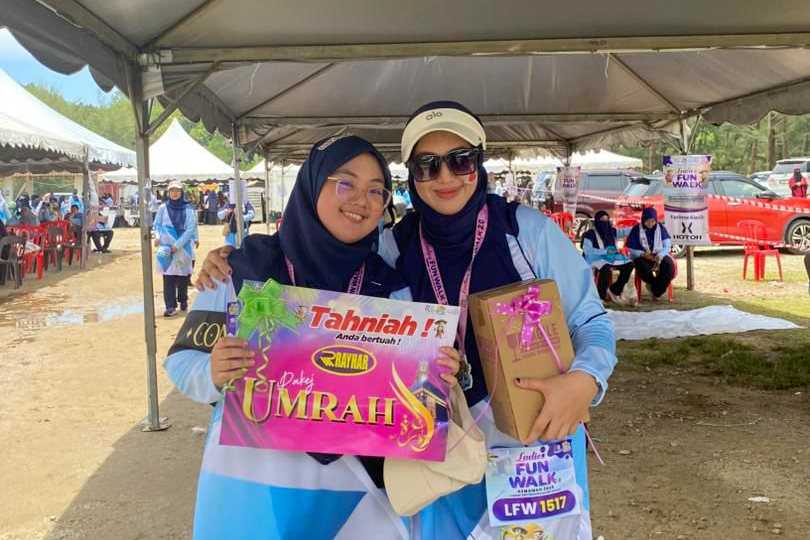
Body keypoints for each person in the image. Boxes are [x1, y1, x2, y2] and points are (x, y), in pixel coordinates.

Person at [197, 102, 616, 539]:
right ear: (412, 176)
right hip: (440, 452)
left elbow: (590, 321)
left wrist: (586, 380)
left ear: (479, 163)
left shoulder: (527, 232)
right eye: (426, 165)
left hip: (535, 443)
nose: (445, 177)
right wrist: (236, 262)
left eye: (461, 160)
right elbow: (329, 282)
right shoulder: (391, 247)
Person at [166, 135, 461, 540]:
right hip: (253, 486)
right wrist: (213, 373)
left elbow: (413, 392)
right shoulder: (242, 270)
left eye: (376, 190)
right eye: (345, 183)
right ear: (311, 185)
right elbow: (182, 362)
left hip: (357, 496)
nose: (361, 200)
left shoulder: (389, 288)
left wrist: (437, 374)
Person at [154, 181, 198, 317]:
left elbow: (190, 229)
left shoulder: (188, 209)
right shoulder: (162, 208)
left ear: (182, 192)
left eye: (177, 191)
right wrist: (156, 236)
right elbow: (157, 225)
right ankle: (170, 306)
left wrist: (177, 245)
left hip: (183, 247)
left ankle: (183, 300)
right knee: (167, 277)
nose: (174, 193)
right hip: (165, 247)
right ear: (168, 192)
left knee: (182, 275)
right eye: (172, 190)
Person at [581, 210, 636, 305]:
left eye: (606, 220)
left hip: (611, 258)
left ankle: (615, 290)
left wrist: (637, 227)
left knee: (629, 265)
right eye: (602, 220)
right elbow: (588, 251)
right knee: (605, 268)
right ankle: (601, 297)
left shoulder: (611, 231)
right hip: (596, 259)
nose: (605, 223)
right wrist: (605, 251)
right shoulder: (590, 234)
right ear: (597, 221)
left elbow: (623, 231)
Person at [626, 206, 675, 301]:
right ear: (643, 219)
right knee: (642, 267)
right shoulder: (637, 229)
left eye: (653, 221)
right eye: (647, 221)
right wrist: (643, 254)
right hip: (643, 255)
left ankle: (657, 291)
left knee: (669, 265)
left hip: (658, 254)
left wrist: (660, 255)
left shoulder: (660, 228)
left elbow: (667, 245)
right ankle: (652, 285)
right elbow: (631, 247)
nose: (650, 224)